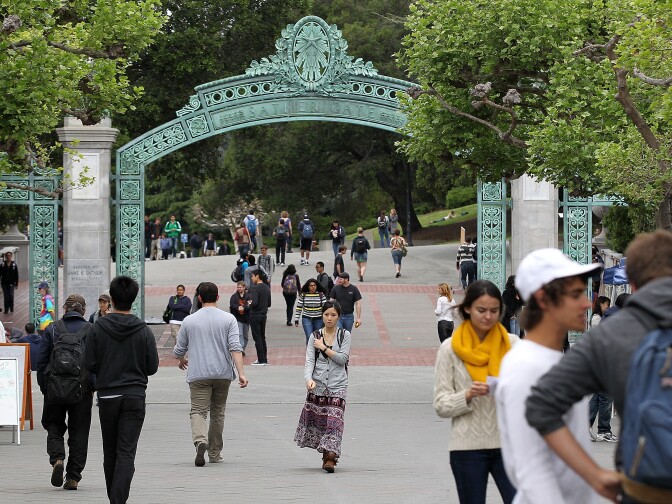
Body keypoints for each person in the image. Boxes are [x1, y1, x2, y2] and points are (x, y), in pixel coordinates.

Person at [524, 230, 672, 503]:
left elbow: (541, 403)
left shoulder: (613, 333)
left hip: (646, 488)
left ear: (634, 283)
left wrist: (593, 474)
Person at [495, 248, 602, 504]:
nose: (587, 303)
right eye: (576, 294)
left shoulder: (550, 361)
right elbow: (531, 469)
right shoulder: (526, 367)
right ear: (543, 299)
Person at [433, 279, 517, 504]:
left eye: (494, 310)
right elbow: (441, 405)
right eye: (481, 310)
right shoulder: (449, 349)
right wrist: (467, 395)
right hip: (467, 447)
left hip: (510, 445)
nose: (488, 316)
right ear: (468, 308)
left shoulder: (514, 345)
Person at [84, 275, 159, 504]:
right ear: (133, 299)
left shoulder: (97, 329)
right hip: (135, 395)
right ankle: (118, 500)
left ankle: (114, 499)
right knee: (126, 451)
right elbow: (152, 366)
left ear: (112, 299)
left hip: (108, 395)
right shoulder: (143, 330)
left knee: (110, 451)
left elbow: (90, 363)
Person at [173, 281, 248, 467]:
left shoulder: (189, 320)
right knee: (218, 413)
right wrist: (241, 373)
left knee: (198, 411)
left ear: (199, 298)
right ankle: (214, 453)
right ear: (217, 297)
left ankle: (200, 441)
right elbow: (235, 348)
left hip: (199, 374)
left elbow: (178, 350)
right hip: (223, 374)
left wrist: (182, 360)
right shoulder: (228, 319)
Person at [36, 294, 93, 491]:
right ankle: (73, 477)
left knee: (53, 424)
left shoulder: (52, 329)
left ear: (64, 309)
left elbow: (41, 362)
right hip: (81, 391)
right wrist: (92, 387)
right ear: (83, 310)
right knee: (79, 431)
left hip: (54, 389)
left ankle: (57, 458)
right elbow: (96, 363)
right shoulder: (92, 330)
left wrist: (45, 388)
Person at [294, 301, 351, 473]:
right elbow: (310, 360)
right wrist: (308, 379)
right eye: (326, 314)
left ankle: (331, 458)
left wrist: (324, 348)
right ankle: (325, 453)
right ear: (322, 315)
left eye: (333, 315)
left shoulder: (344, 335)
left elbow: (342, 359)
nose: (329, 318)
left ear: (338, 317)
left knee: (334, 422)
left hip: (338, 385)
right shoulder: (315, 336)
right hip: (318, 385)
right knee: (321, 422)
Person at [587, 295, 616, 443]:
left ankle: (590, 427)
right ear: (601, 305)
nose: (608, 307)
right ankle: (603, 430)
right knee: (604, 396)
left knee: (598, 396)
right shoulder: (598, 319)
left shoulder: (601, 318)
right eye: (606, 304)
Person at [295, 278, 327, 344]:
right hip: (307, 318)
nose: (313, 287)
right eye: (311, 286)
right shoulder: (304, 295)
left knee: (317, 337)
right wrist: (296, 319)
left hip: (318, 319)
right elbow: (299, 307)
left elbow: (326, 308)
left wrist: (326, 319)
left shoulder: (321, 295)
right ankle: (309, 353)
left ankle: (316, 352)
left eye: (314, 285)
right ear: (308, 287)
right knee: (309, 336)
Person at [249, 269, 271, 365]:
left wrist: (250, 304)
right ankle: (264, 359)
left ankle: (261, 359)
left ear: (257, 276)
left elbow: (255, 303)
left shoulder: (255, 288)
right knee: (262, 337)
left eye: (253, 276)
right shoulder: (266, 287)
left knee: (257, 337)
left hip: (255, 315)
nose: (252, 278)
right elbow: (269, 304)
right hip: (263, 315)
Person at [229, 281, 251, 355]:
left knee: (245, 336)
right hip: (237, 318)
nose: (239, 289)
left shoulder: (248, 296)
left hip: (246, 319)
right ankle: (240, 349)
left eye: (240, 287)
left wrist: (243, 307)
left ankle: (243, 348)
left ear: (244, 288)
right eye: (238, 287)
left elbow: (250, 304)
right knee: (240, 334)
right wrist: (237, 307)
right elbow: (232, 305)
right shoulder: (234, 296)